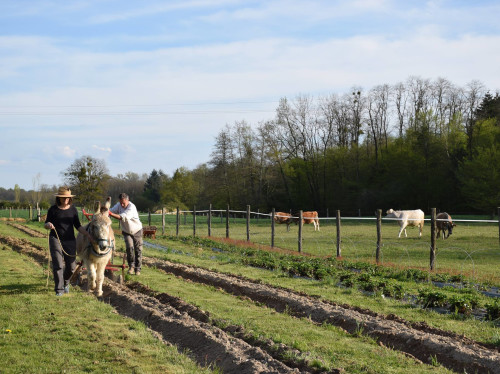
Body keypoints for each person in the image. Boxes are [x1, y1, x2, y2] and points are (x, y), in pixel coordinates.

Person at [44, 187, 93, 296]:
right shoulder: (53, 209)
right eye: (63, 197)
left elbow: (78, 226)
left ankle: (66, 282)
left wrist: (87, 234)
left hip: (70, 240)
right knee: (58, 265)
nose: (66, 199)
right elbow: (46, 224)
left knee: (71, 267)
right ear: (59, 198)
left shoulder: (73, 210)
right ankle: (59, 290)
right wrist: (48, 225)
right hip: (55, 238)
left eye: (68, 197)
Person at [108, 193, 143, 275]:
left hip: (137, 230)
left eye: (124, 203)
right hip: (127, 231)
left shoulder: (132, 207)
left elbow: (123, 217)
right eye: (120, 202)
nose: (122, 204)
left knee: (138, 249)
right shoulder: (118, 205)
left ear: (128, 200)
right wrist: (106, 211)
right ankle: (131, 266)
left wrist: (110, 214)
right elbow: (111, 210)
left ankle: (138, 269)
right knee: (129, 248)